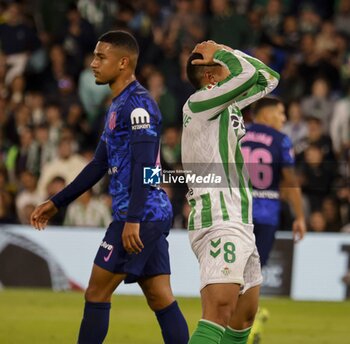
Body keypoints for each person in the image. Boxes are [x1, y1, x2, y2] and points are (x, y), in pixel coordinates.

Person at [30, 31, 189, 344]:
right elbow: (97, 165)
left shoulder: (139, 105)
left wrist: (132, 219)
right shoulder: (117, 106)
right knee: (160, 298)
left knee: (96, 291)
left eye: (101, 57)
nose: (93, 63)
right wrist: (56, 202)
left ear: (123, 63)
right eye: (94, 56)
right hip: (143, 214)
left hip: (139, 215)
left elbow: (147, 169)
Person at [182, 40, 279, 344]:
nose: (231, 67)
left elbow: (269, 77)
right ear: (211, 78)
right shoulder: (199, 103)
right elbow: (249, 75)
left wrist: (225, 50)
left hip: (240, 219)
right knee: (219, 312)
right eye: (224, 68)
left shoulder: (227, 104)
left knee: (244, 316)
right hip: (219, 218)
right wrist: (221, 53)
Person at [241, 97, 306, 344]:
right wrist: (299, 217)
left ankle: (244, 321)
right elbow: (289, 181)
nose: (284, 118)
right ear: (266, 115)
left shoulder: (236, 132)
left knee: (233, 274)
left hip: (236, 213)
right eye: (281, 113)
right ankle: (250, 319)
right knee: (254, 275)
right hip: (266, 217)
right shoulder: (280, 140)